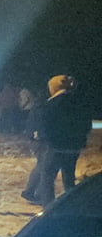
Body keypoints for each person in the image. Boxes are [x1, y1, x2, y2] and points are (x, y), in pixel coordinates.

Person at [26, 75, 91, 204]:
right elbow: (86, 125)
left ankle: (49, 207)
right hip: (74, 147)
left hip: (55, 147)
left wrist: (44, 138)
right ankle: (70, 204)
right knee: (69, 178)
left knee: (47, 178)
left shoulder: (51, 104)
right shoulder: (79, 103)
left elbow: (46, 126)